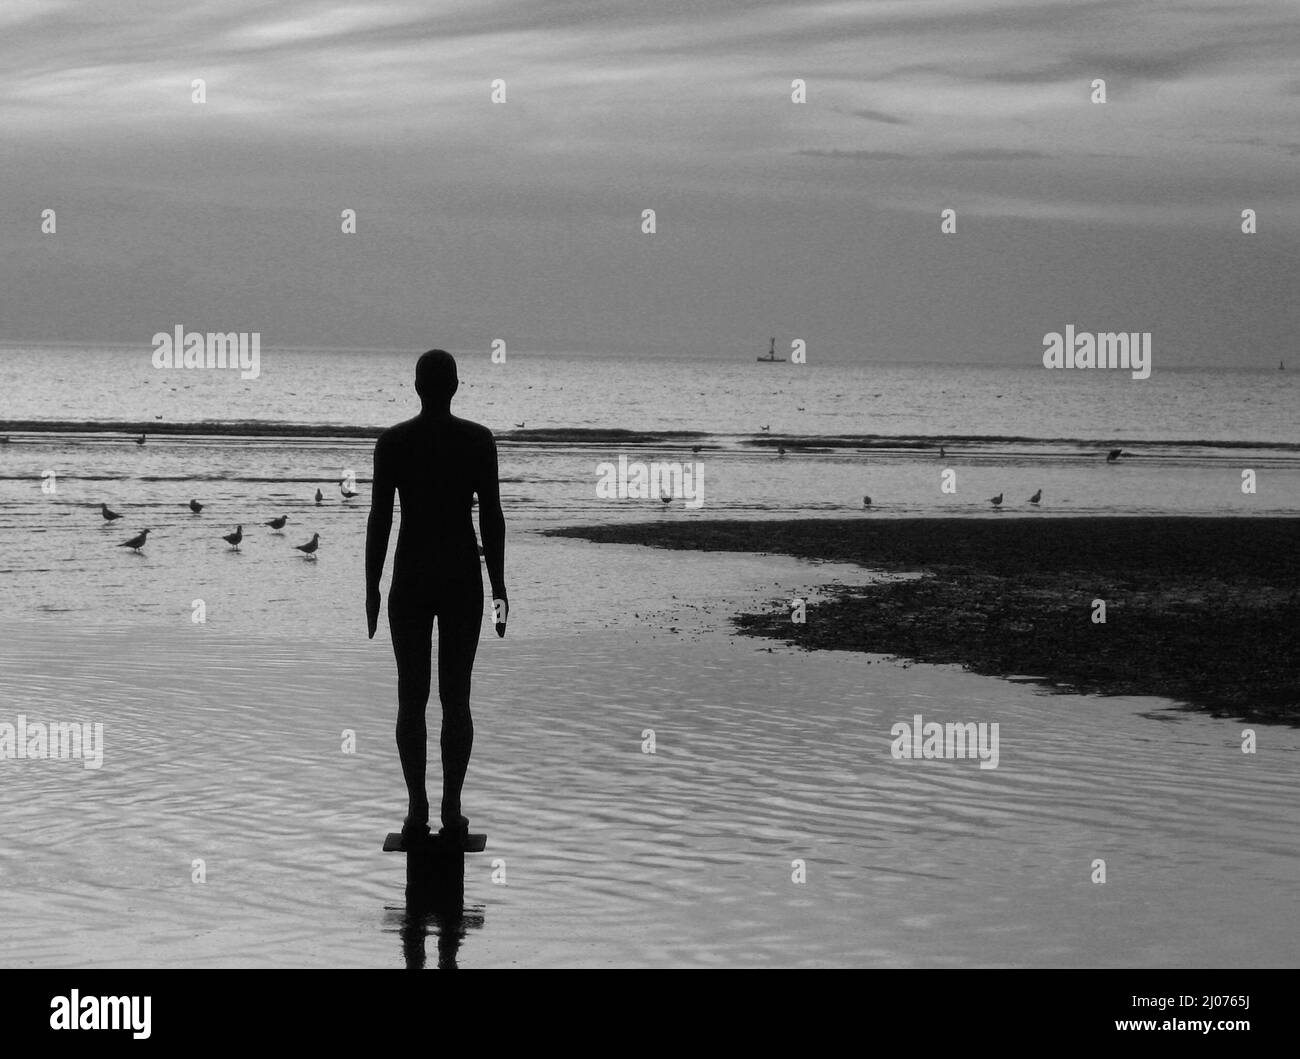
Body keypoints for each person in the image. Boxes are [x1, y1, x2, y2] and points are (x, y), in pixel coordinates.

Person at [366, 349, 507, 844]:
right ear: (455, 386)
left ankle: (428, 809)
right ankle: (439, 808)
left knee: (417, 695)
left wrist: (372, 586)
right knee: (453, 697)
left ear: (417, 386)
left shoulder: (395, 443)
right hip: (459, 577)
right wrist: (500, 588)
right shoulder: (475, 441)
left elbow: (380, 521)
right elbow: (491, 518)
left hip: (413, 577)